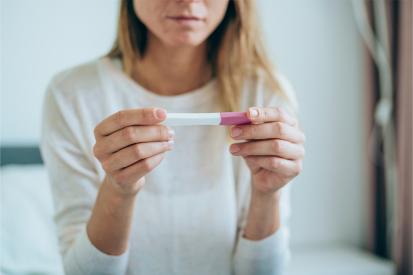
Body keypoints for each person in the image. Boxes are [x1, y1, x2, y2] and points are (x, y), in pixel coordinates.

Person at [40, 0, 305, 274]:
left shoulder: (266, 93)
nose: (189, 2)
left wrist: (267, 194)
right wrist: (118, 192)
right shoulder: (71, 96)